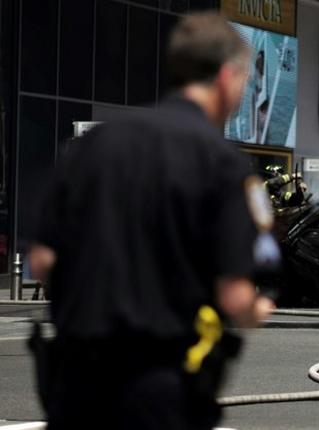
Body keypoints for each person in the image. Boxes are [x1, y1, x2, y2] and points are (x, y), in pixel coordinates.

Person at [27, 12, 275, 430]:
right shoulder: (223, 164)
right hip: (160, 391)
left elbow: (41, 261)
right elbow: (236, 298)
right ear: (226, 76)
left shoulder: (94, 146)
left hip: (76, 384)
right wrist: (258, 306)